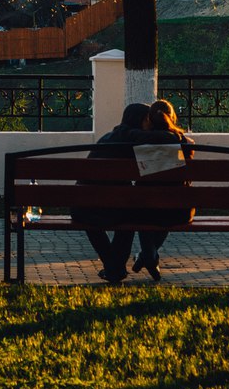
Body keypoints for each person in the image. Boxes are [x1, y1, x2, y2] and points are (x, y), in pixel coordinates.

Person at [74, 102, 180, 283]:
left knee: (113, 214)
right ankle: (117, 266)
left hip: (83, 208)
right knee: (130, 217)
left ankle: (113, 267)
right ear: (143, 120)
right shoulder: (137, 141)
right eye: (148, 120)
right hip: (113, 210)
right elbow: (171, 151)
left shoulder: (108, 138)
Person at [130, 99, 195, 281]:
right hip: (177, 211)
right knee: (167, 203)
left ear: (149, 119)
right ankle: (148, 257)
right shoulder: (184, 142)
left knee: (145, 208)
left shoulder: (135, 140)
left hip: (144, 209)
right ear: (171, 117)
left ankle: (148, 256)